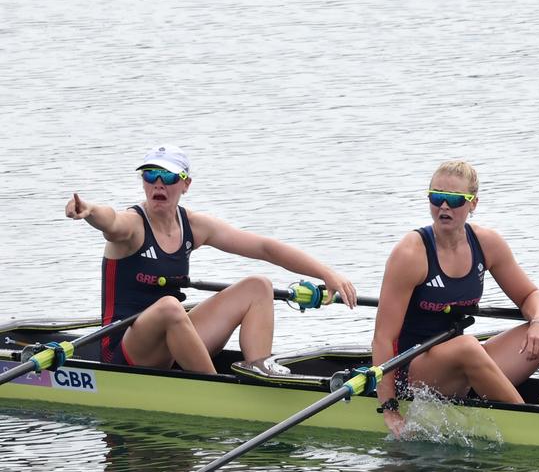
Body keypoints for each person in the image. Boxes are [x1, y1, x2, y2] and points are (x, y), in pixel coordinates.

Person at [65, 145, 357, 373]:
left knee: (258, 286)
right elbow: (111, 221)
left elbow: (265, 248)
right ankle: (217, 390)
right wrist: (89, 210)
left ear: (186, 184)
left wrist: (326, 273)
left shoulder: (194, 225)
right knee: (169, 307)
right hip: (123, 349)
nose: (158, 185)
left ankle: (260, 374)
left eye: (167, 177)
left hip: (171, 340)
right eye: (150, 176)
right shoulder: (132, 225)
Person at [371, 160, 539, 435]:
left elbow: (530, 295)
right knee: (468, 346)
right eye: (437, 198)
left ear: (473, 204)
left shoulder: (487, 243)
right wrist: (389, 407)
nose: (444, 207)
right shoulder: (410, 254)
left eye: (455, 200)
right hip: (416, 373)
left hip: (466, 363)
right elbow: (383, 338)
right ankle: (532, 427)